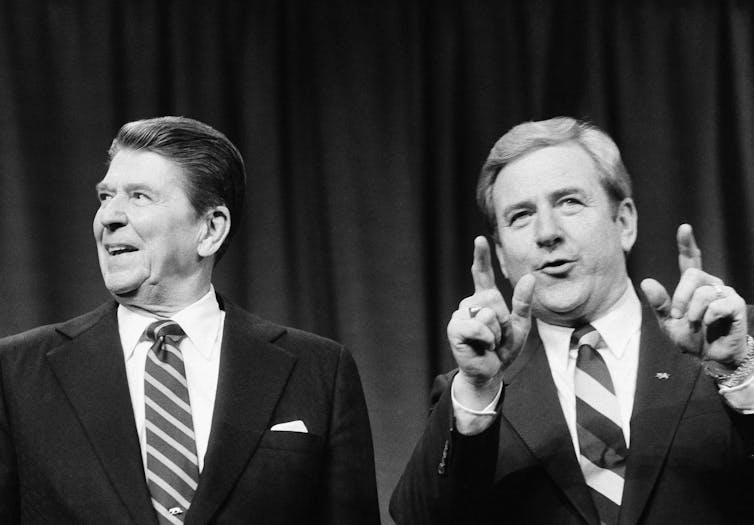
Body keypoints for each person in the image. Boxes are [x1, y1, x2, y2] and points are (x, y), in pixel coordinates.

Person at [0, 116, 380, 524]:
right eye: (105, 197)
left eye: (139, 196)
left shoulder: (320, 371)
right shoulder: (17, 371)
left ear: (210, 230)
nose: (108, 217)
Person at [390, 117, 754, 524]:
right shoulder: (474, 390)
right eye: (521, 216)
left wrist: (738, 375)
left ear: (625, 223)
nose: (547, 232)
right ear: (502, 254)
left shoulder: (736, 343)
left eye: (569, 202)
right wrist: (478, 391)